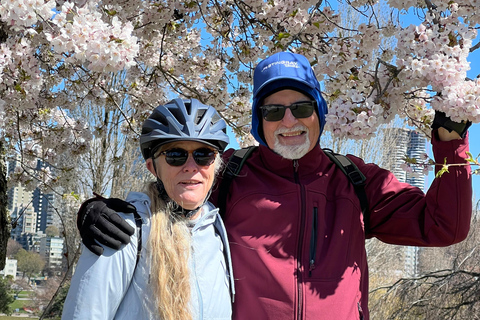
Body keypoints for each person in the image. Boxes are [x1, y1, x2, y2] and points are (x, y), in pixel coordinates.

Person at [76, 52, 473, 320]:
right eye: (273, 111)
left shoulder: (355, 179)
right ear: (257, 121)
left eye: (300, 108)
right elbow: (175, 187)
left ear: (318, 113)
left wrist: (450, 144)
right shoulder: (230, 172)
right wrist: (101, 209)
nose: (288, 122)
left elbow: (444, 226)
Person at [62, 98, 234, 320]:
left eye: (204, 155)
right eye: (175, 155)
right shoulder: (123, 229)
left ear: (216, 164)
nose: (191, 167)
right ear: (153, 167)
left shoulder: (218, 230)